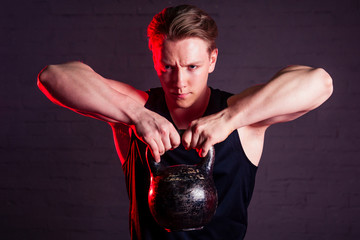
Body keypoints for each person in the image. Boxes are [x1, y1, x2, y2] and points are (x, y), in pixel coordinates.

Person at [37, 4, 333, 240]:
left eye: (193, 67)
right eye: (167, 67)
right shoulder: (135, 110)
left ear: (213, 60)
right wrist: (137, 115)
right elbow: (54, 75)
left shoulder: (244, 116)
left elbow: (319, 82)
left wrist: (229, 118)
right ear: (155, 60)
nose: (179, 81)